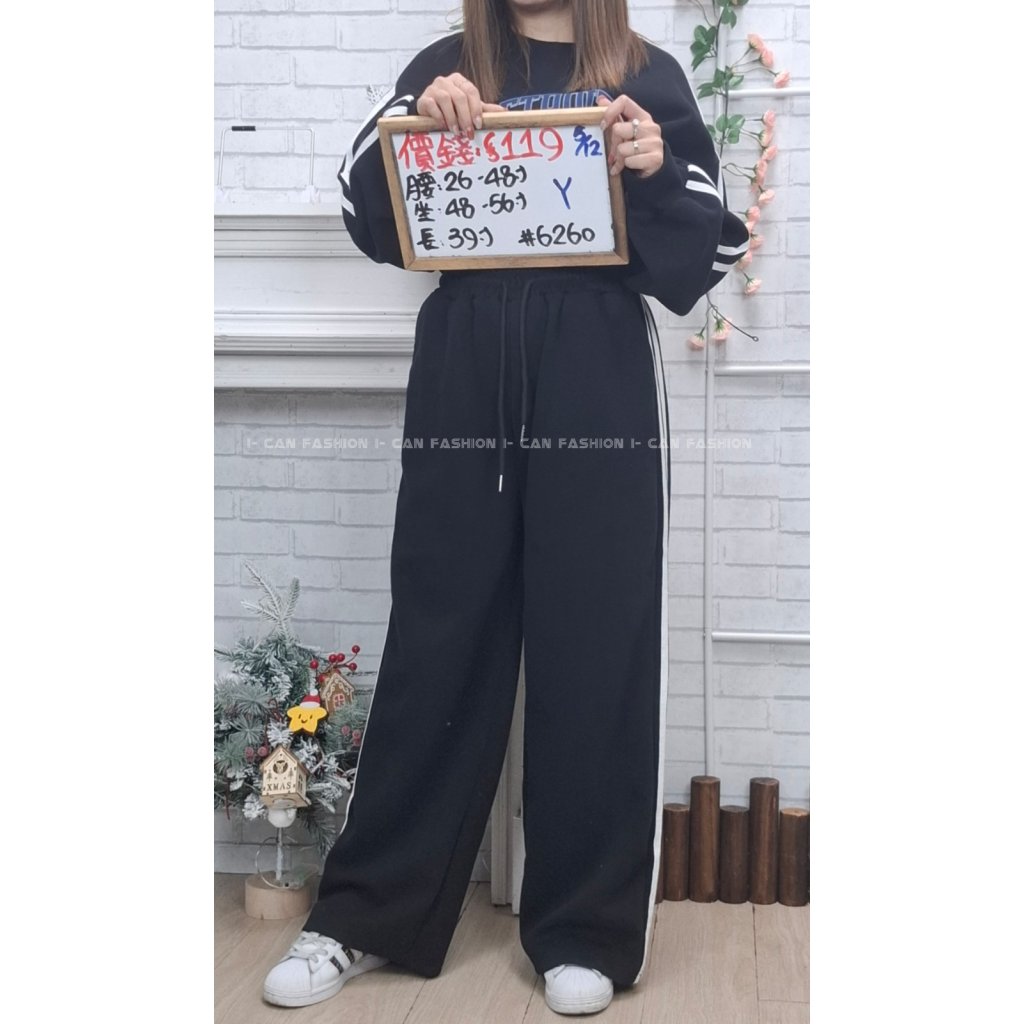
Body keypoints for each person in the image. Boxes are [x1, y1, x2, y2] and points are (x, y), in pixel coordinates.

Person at [262, 0, 749, 1016]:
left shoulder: (644, 73)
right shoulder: (446, 63)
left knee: (597, 643)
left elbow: (706, 257)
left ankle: (585, 929)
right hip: (465, 365)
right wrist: (411, 127)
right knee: (438, 634)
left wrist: (656, 166)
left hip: (599, 371)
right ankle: (367, 914)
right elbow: (363, 213)